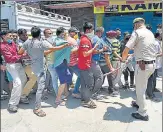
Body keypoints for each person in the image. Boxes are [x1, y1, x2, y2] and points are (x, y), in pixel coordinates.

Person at [18, 26, 71, 117]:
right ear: (39, 34)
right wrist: (64, 45)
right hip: (40, 68)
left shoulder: (27, 42)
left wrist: (32, 53)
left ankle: (37, 101)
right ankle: (37, 108)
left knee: (39, 85)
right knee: (40, 88)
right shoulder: (41, 42)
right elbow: (54, 48)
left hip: (32, 66)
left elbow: (20, 52)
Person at [122, 18, 156, 121]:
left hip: (142, 66)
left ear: (136, 25)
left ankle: (143, 113)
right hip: (151, 65)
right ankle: (138, 103)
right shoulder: (150, 33)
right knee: (142, 86)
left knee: (140, 89)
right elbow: (143, 47)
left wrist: (123, 60)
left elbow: (127, 48)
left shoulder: (137, 32)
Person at [0, 30, 27, 112]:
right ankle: (12, 104)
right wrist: (23, 56)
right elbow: (10, 58)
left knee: (24, 80)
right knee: (17, 83)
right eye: (9, 36)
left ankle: (19, 97)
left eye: (12, 36)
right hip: (11, 65)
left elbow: (17, 53)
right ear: (4, 37)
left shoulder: (13, 43)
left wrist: (22, 54)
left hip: (18, 64)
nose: (11, 37)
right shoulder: (2, 46)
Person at [78, 22, 100, 108]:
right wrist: (94, 48)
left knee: (84, 83)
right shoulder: (85, 40)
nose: (93, 32)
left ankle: (84, 98)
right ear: (88, 30)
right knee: (89, 84)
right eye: (92, 30)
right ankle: (86, 101)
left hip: (83, 64)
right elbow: (85, 54)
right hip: (85, 65)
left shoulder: (84, 39)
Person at [17, 28, 37, 103]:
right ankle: (23, 96)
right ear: (19, 35)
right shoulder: (19, 44)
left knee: (31, 78)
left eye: (26, 34)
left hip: (31, 63)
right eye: (23, 35)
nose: (25, 36)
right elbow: (23, 54)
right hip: (25, 64)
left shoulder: (27, 41)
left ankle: (28, 92)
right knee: (33, 77)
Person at [146, 32, 162, 99]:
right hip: (152, 63)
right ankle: (150, 93)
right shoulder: (156, 43)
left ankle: (150, 91)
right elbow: (160, 53)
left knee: (151, 78)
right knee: (151, 78)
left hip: (150, 63)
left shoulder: (154, 43)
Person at [44, 28, 58, 96]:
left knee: (52, 78)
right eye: (49, 33)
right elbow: (44, 53)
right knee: (54, 78)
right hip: (50, 63)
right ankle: (58, 95)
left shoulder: (52, 41)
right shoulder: (44, 42)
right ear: (45, 34)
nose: (51, 35)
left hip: (54, 62)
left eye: (51, 33)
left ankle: (50, 90)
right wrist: (54, 48)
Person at [67, 27, 81, 99]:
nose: (76, 34)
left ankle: (66, 91)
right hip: (73, 62)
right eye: (75, 33)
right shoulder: (73, 40)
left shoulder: (65, 39)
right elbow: (75, 52)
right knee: (81, 76)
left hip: (66, 62)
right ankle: (75, 92)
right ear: (71, 32)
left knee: (68, 76)